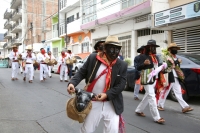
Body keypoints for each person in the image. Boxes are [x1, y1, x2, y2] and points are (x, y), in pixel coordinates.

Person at [67, 35, 127, 133]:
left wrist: (107, 94)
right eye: (111, 49)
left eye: (117, 49)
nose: (114, 52)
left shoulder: (122, 65)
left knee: (113, 130)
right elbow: (82, 72)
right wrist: (72, 83)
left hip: (111, 103)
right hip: (93, 101)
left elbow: (121, 84)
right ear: (105, 48)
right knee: (87, 130)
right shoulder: (93, 58)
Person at [135, 39, 165, 124]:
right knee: (152, 97)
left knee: (148, 96)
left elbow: (156, 68)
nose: (153, 49)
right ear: (147, 48)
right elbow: (137, 68)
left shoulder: (156, 57)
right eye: (151, 47)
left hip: (154, 79)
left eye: (154, 47)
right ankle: (157, 117)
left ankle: (139, 110)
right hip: (147, 79)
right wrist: (144, 64)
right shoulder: (142, 56)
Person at [157, 43, 193, 113]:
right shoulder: (167, 56)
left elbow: (176, 66)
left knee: (178, 92)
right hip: (170, 76)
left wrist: (177, 62)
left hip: (175, 76)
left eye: (176, 49)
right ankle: (159, 105)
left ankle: (184, 107)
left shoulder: (175, 57)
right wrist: (177, 62)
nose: (175, 50)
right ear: (170, 49)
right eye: (174, 48)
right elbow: (169, 65)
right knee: (166, 91)